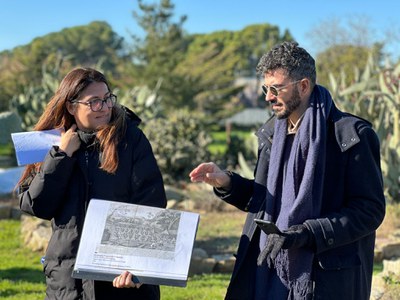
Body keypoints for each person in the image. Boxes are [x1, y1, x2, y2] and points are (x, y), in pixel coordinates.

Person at [189, 41, 385, 300]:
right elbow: (264, 199)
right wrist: (227, 183)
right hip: (267, 271)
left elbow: (369, 210)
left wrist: (308, 233)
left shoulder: (350, 135)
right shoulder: (272, 133)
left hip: (324, 278)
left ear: (303, 86)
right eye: (265, 88)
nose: (268, 96)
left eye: (276, 88)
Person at [18, 67, 167, 300]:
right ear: (71, 106)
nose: (106, 107)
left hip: (120, 281)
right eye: (94, 102)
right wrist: (60, 157)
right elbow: (36, 205)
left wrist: (137, 267)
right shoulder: (51, 143)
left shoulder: (131, 140)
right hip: (67, 282)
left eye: (108, 98)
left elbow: (151, 204)